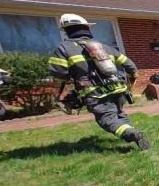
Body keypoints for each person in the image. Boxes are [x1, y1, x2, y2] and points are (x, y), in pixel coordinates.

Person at [48, 14, 151, 150]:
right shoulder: (105, 47)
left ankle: (132, 134)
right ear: (86, 28)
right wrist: (130, 82)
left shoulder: (64, 49)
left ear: (66, 30)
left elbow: (59, 75)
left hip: (96, 94)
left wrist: (61, 93)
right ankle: (132, 133)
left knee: (107, 119)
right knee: (118, 114)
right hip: (118, 89)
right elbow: (130, 66)